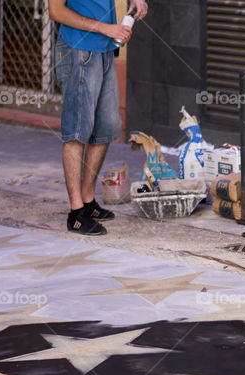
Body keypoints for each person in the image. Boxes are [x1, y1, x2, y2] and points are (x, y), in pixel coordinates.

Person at [49, 0, 147, 236]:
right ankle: (76, 213)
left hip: (104, 50)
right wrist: (105, 28)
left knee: (105, 128)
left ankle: (88, 201)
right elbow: (56, 11)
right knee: (77, 131)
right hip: (78, 49)